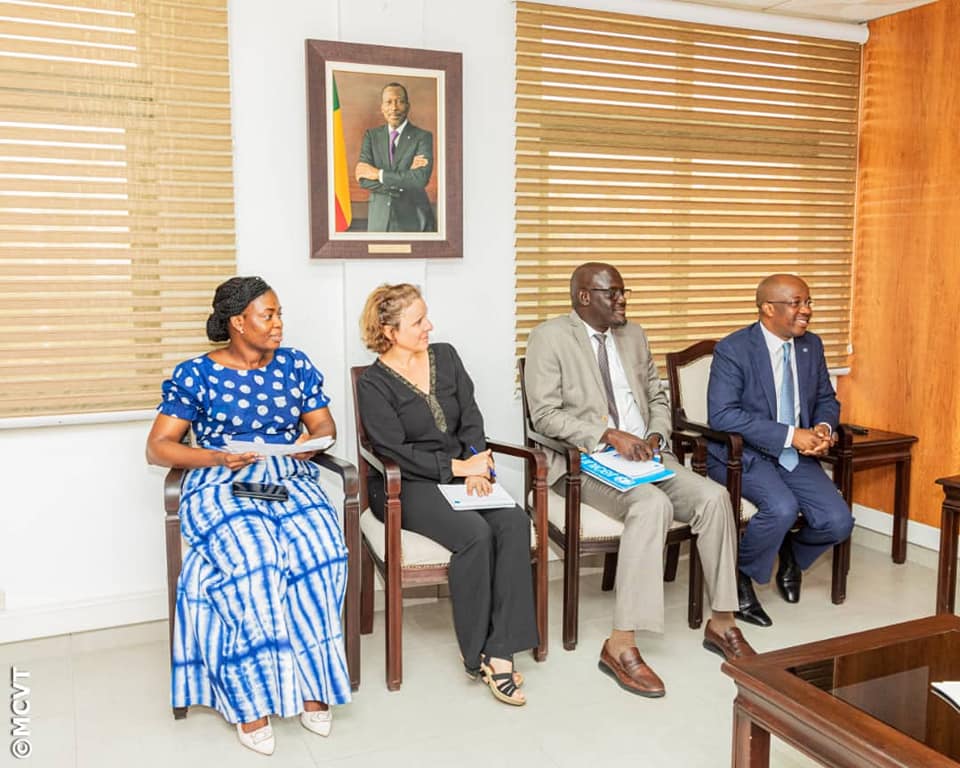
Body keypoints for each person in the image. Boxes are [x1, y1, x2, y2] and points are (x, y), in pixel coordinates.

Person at [523, 262, 754, 699]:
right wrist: (608, 435)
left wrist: (655, 434)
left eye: (624, 292)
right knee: (651, 506)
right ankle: (621, 643)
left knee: (714, 497)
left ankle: (722, 622)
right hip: (587, 462)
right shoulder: (549, 338)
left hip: (649, 456)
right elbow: (544, 415)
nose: (623, 301)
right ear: (584, 297)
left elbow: (657, 395)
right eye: (614, 293)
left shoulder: (634, 334)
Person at [145, 276, 351, 755]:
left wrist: (310, 442)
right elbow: (159, 448)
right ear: (238, 322)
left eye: (280, 314)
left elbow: (323, 423)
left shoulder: (295, 365)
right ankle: (249, 699)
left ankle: (314, 686)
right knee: (255, 560)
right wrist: (219, 457)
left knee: (323, 553)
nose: (279, 324)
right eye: (269, 315)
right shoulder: (196, 374)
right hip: (222, 481)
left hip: (288, 479)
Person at [355, 283, 537, 706]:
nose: (428, 327)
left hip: (463, 472)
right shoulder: (374, 385)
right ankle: (476, 653)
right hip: (405, 486)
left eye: (426, 316)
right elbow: (393, 451)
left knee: (513, 521)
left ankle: (502, 646)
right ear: (388, 329)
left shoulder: (446, 356)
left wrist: (478, 462)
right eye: (417, 321)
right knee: (474, 533)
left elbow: (471, 416)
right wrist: (459, 468)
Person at [706, 274, 854, 627]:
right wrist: (791, 435)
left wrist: (823, 427)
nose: (807, 311)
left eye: (809, 302)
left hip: (794, 455)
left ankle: (790, 553)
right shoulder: (734, 349)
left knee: (838, 521)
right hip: (743, 455)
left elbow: (825, 399)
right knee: (782, 508)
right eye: (797, 303)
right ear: (768, 308)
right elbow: (723, 415)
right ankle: (739, 576)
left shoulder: (810, 346)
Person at [354, 83, 436, 232]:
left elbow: (419, 179)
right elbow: (363, 179)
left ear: (408, 106)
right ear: (382, 107)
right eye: (389, 102)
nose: (394, 108)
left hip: (413, 220)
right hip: (378, 220)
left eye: (399, 101)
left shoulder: (423, 137)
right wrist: (404, 179)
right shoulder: (371, 136)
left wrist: (378, 174)